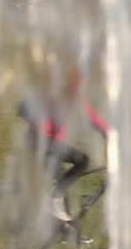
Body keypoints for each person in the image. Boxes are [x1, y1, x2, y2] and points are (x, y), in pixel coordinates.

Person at [18, 66, 109, 224]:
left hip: (43, 142)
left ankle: (69, 231)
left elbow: (90, 116)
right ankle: (52, 207)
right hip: (42, 142)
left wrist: (108, 133)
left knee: (63, 184)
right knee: (82, 161)